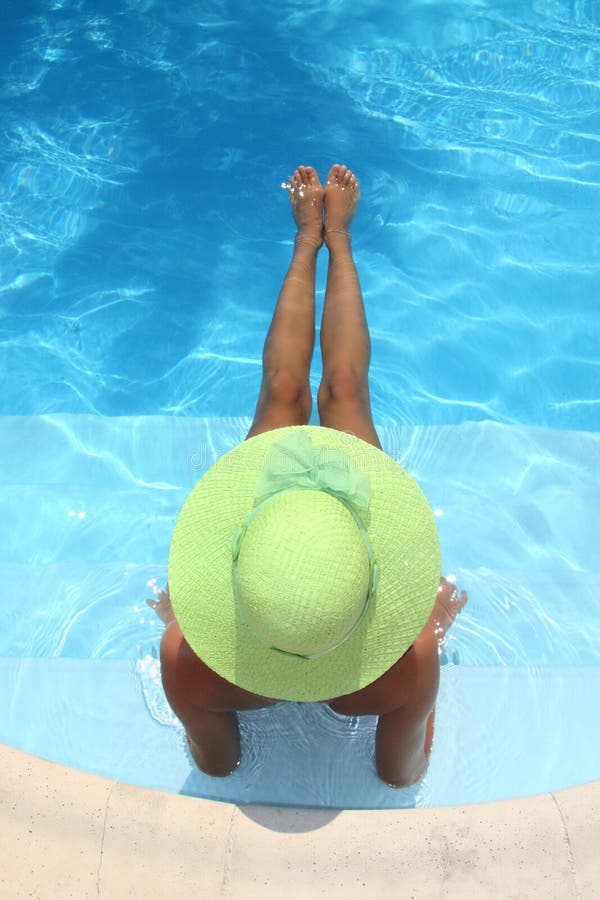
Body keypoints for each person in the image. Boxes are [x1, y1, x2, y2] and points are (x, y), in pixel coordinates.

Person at [147, 164, 467, 787]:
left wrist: (191, 630)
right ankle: (330, 238)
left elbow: (218, 766)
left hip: (286, 541)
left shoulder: (187, 662)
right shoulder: (411, 661)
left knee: (285, 393)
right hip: (316, 535)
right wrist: (421, 633)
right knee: (341, 395)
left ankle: (319, 239)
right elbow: (404, 774)